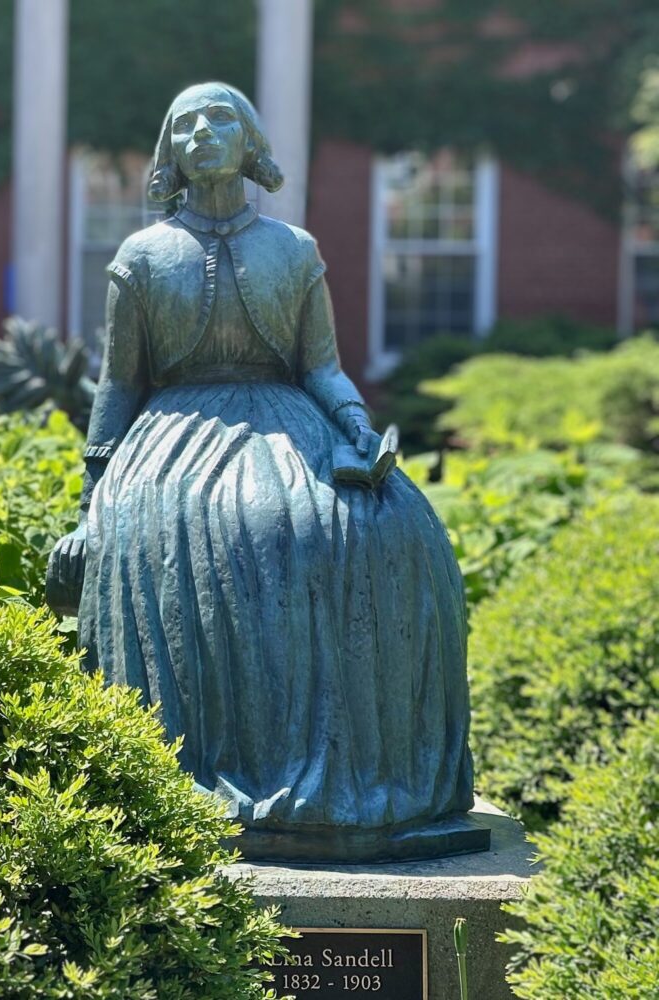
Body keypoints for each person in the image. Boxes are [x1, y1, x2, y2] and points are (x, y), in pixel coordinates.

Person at [48, 82, 480, 862]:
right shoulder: (141, 258)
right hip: (173, 437)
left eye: (221, 119)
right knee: (242, 530)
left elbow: (323, 367)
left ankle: (367, 783)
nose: (203, 132)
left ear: (251, 144)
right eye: (184, 123)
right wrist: (91, 504)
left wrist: (358, 431)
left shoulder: (294, 249)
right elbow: (119, 384)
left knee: (388, 530)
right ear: (169, 152)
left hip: (293, 424)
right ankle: (205, 775)